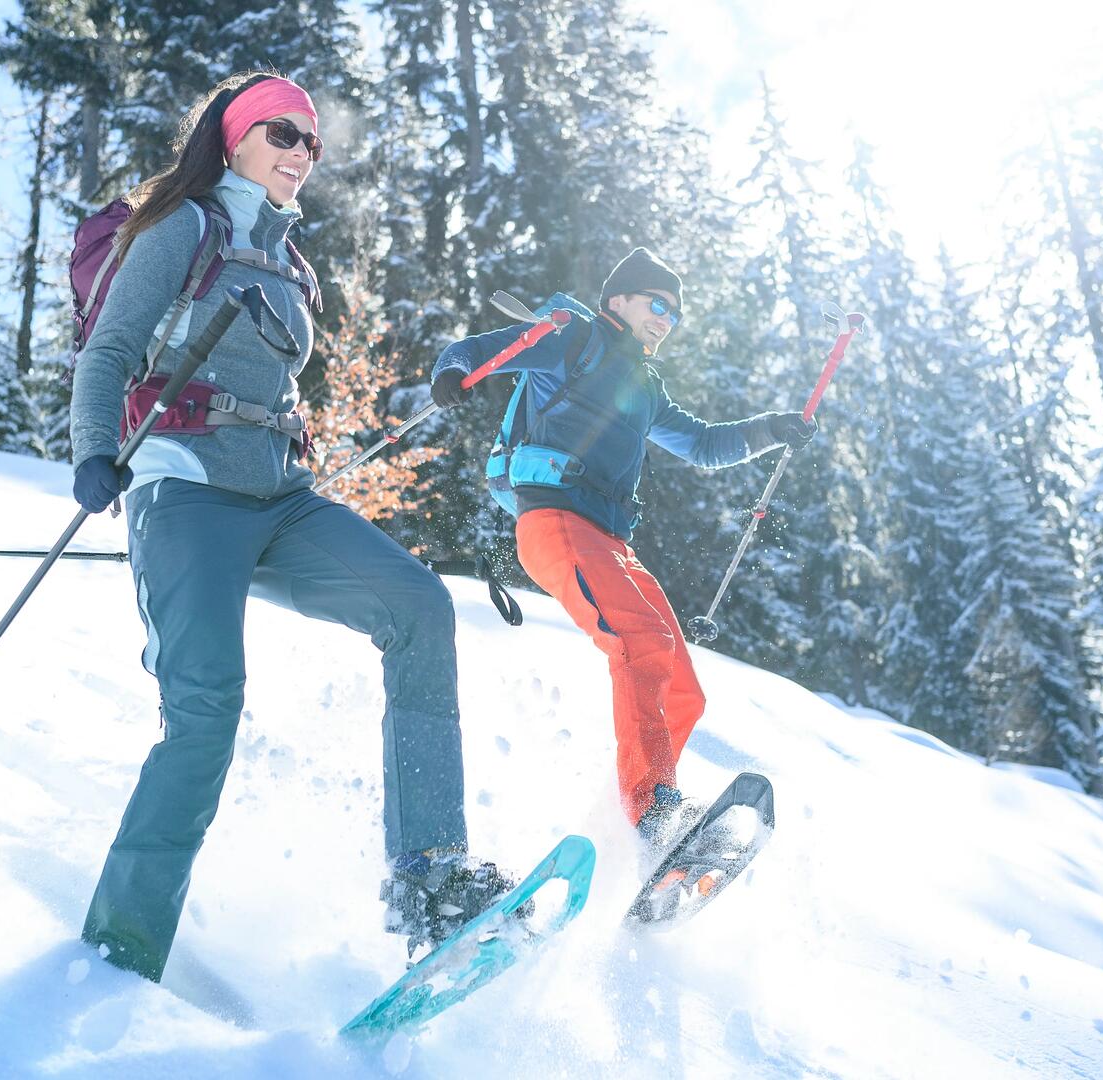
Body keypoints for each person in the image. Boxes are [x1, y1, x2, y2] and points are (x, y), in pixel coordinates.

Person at [69, 71, 512, 981]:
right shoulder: (184, 228)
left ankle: (429, 873)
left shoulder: (291, 262)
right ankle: (120, 950)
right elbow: (110, 347)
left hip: (277, 498)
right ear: (233, 137)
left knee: (420, 610)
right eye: (283, 133)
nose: (301, 154)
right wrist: (91, 449)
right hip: (184, 491)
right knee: (205, 714)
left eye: (312, 141)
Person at [428, 248, 815, 855]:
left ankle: (642, 821)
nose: (667, 320)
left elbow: (705, 446)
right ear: (620, 299)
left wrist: (771, 428)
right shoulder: (571, 337)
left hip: (610, 542)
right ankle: (654, 811)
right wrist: (450, 374)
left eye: (676, 315)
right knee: (637, 646)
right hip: (555, 521)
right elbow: (473, 350)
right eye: (658, 305)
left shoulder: (645, 384)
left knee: (682, 683)